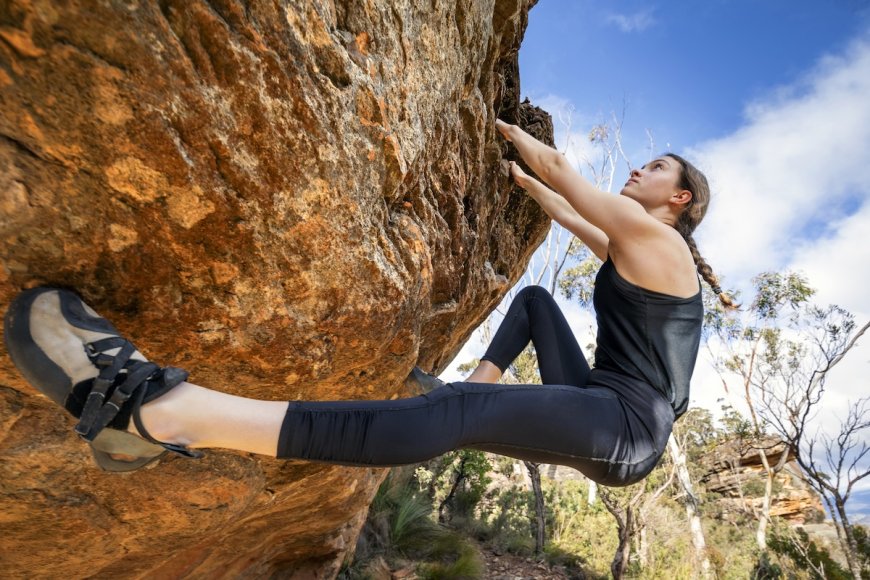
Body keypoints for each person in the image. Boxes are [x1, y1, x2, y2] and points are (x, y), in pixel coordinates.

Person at [3, 119, 734, 482]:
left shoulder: (656, 240)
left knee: (449, 419)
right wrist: (520, 180)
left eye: (656, 166)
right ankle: (470, 390)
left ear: (680, 198)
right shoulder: (640, 251)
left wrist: (497, 127)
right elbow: (565, 210)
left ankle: (157, 414)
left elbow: (562, 171)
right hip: (610, 404)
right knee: (540, 302)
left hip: (628, 423)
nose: (638, 167)